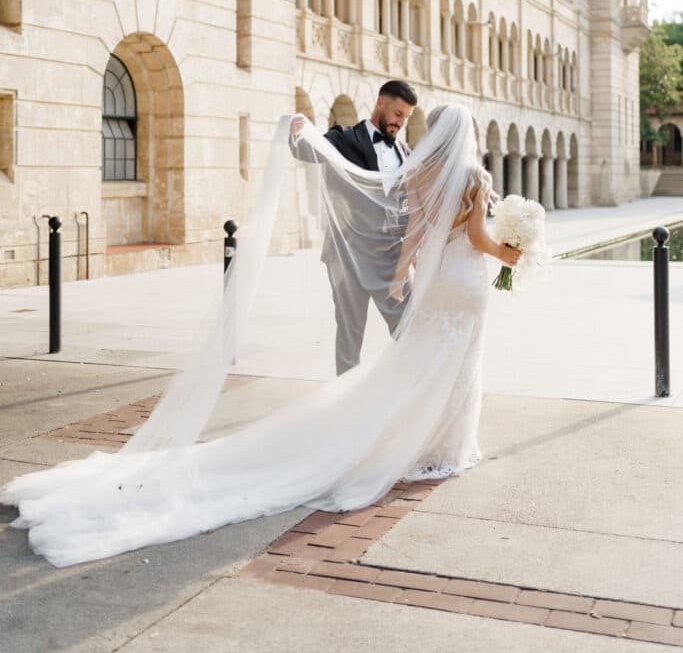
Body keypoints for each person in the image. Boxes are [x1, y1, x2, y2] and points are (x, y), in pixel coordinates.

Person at [1, 104, 521, 567]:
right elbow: (477, 236)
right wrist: (510, 252)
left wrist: (400, 273)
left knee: (419, 362)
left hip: (435, 286)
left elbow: (408, 229)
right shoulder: (470, 174)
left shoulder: (420, 171)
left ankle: (427, 440)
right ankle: (445, 447)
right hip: (464, 283)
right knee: (453, 363)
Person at [290, 79, 418, 374]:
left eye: (407, 117)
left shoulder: (405, 152)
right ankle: (344, 406)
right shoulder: (344, 138)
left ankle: (406, 396)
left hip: (390, 259)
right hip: (349, 257)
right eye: (398, 114)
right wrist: (297, 132)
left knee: (409, 329)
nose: (401, 122)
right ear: (380, 103)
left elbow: (406, 206)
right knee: (350, 337)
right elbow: (305, 151)